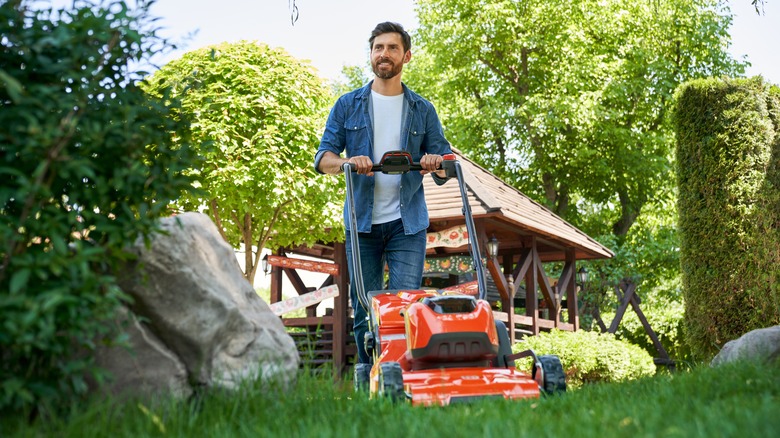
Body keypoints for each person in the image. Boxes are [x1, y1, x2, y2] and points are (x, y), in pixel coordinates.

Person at [314, 22, 452, 364]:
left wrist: (435, 162)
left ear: (406, 56)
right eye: (378, 47)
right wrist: (348, 162)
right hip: (362, 225)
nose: (384, 54)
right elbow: (323, 159)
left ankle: (405, 379)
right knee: (365, 308)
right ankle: (368, 379)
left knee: (407, 305)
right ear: (371, 54)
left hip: (408, 224)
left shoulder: (423, 109)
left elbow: (447, 163)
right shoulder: (348, 105)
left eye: (392, 47)